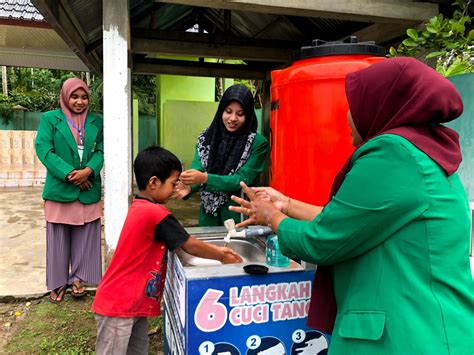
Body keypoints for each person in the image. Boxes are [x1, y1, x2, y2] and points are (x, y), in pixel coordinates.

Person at [230, 57, 473, 354]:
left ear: (379, 105)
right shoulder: (421, 153)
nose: (346, 116)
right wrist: (287, 203)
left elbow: (322, 240)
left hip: (409, 334)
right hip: (430, 327)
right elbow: (353, 223)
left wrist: (273, 217)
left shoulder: (392, 154)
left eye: (354, 104)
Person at [92, 146, 242, 354]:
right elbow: (189, 245)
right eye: (173, 183)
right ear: (153, 182)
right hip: (119, 304)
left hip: (131, 302)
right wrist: (223, 255)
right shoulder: (155, 213)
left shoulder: (141, 206)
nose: (175, 189)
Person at [35, 78, 103, 303]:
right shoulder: (50, 119)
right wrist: (71, 174)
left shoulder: (96, 121)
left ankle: (80, 279)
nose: (80, 101)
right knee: (58, 238)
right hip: (60, 188)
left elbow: (102, 150)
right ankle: (57, 281)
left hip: (88, 187)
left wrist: (89, 171)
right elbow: (44, 149)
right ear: (65, 96)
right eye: (75, 96)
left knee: (86, 237)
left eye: (84, 97)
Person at [174, 84, 269, 226]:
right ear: (221, 111)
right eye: (228, 111)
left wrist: (206, 178)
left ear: (248, 115)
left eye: (240, 114)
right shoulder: (206, 138)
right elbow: (197, 169)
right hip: (208, 216)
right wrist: (189, 186)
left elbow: (241, 180)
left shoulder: (257, 143)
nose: (233, 118)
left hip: (239, 216)